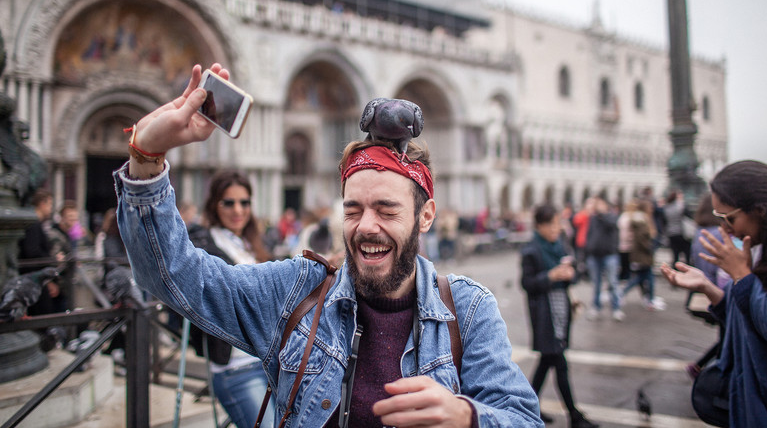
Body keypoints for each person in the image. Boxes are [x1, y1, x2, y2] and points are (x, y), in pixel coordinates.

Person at [114, 63, 543, 427]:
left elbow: (523, 416)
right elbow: (175, 276)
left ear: (425, 216)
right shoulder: (296, 291)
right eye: (353, 209)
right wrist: (147, 158)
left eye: (387, 210)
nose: (366, 227)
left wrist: (467, 417)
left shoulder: (468, 310)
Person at [661, 160, 767, 427]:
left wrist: (741, 276)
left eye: (730, 218)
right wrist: (711, 290)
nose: (726, 229)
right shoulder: (757, 251)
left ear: (759, 210)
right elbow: (748, 317)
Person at [186, 170, 274, 428]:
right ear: (215, 204)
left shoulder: (252, 244)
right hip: (235, 369)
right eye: (229, 202)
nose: (238, 210)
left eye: (244, 202)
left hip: (269, 365)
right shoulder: (203, 245)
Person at [521, 204, 599, 428]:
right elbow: (527, 284)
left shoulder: (560, 246)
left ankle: (528, 407)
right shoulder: (531, 250)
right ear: (540, 226)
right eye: (552, 224)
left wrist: (570, 274)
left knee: (547, 361)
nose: (557, 228)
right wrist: (551, 275)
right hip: (545, 314)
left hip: (561, 310)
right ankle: (574, 415)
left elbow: (572, 279)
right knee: (559, 362)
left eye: (558, 223)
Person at [17, 189, 67, 317]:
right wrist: (54, 259)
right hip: (34, 283)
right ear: (42, 204)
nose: (51, 209)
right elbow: (33, 253)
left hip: (35, 281)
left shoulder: (33, 223)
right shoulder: (33, 224)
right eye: (50, 204)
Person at [584, 196, 623, 321]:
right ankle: (596, 307)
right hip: (594, 255)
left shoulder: (611, 216)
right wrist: (588, 249)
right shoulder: (593, 218)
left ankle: (616, 308)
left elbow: (611, 224)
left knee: (612, 282)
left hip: (609, 254)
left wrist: (602, 213)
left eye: (600, 204)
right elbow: (590, 234)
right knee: (596, 284)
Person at [621, 200, 665, 311]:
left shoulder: (639, 219)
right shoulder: (641, 220)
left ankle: (649, 298)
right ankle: (648, 299)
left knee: (645, 276)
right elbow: (642, 238)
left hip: (641, 254)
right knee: (643, 277)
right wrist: (649, 247)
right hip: (642, 254)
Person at [663, 189, 691, 266]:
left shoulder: (666, 207)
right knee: (687, 254)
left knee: (675, 255)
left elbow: (664, 222)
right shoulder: (682, 206)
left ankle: (675, 270)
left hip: (671, 233)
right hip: (682, 233)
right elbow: (689, 217)